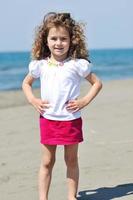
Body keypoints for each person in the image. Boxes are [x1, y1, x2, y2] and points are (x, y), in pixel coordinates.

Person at [22, 12, 102, 200]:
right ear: (46, 40)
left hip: (71, 120)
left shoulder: (77, 65)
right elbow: (26, 84)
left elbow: (97, 83)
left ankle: (71, 197)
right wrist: (33, 100)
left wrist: (83, 101)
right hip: (48, 119)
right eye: (54, 38)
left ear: (71, 40)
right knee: (47, 161)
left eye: (63, 39)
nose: (59, 43)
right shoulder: (40, 65)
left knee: (71, 160)